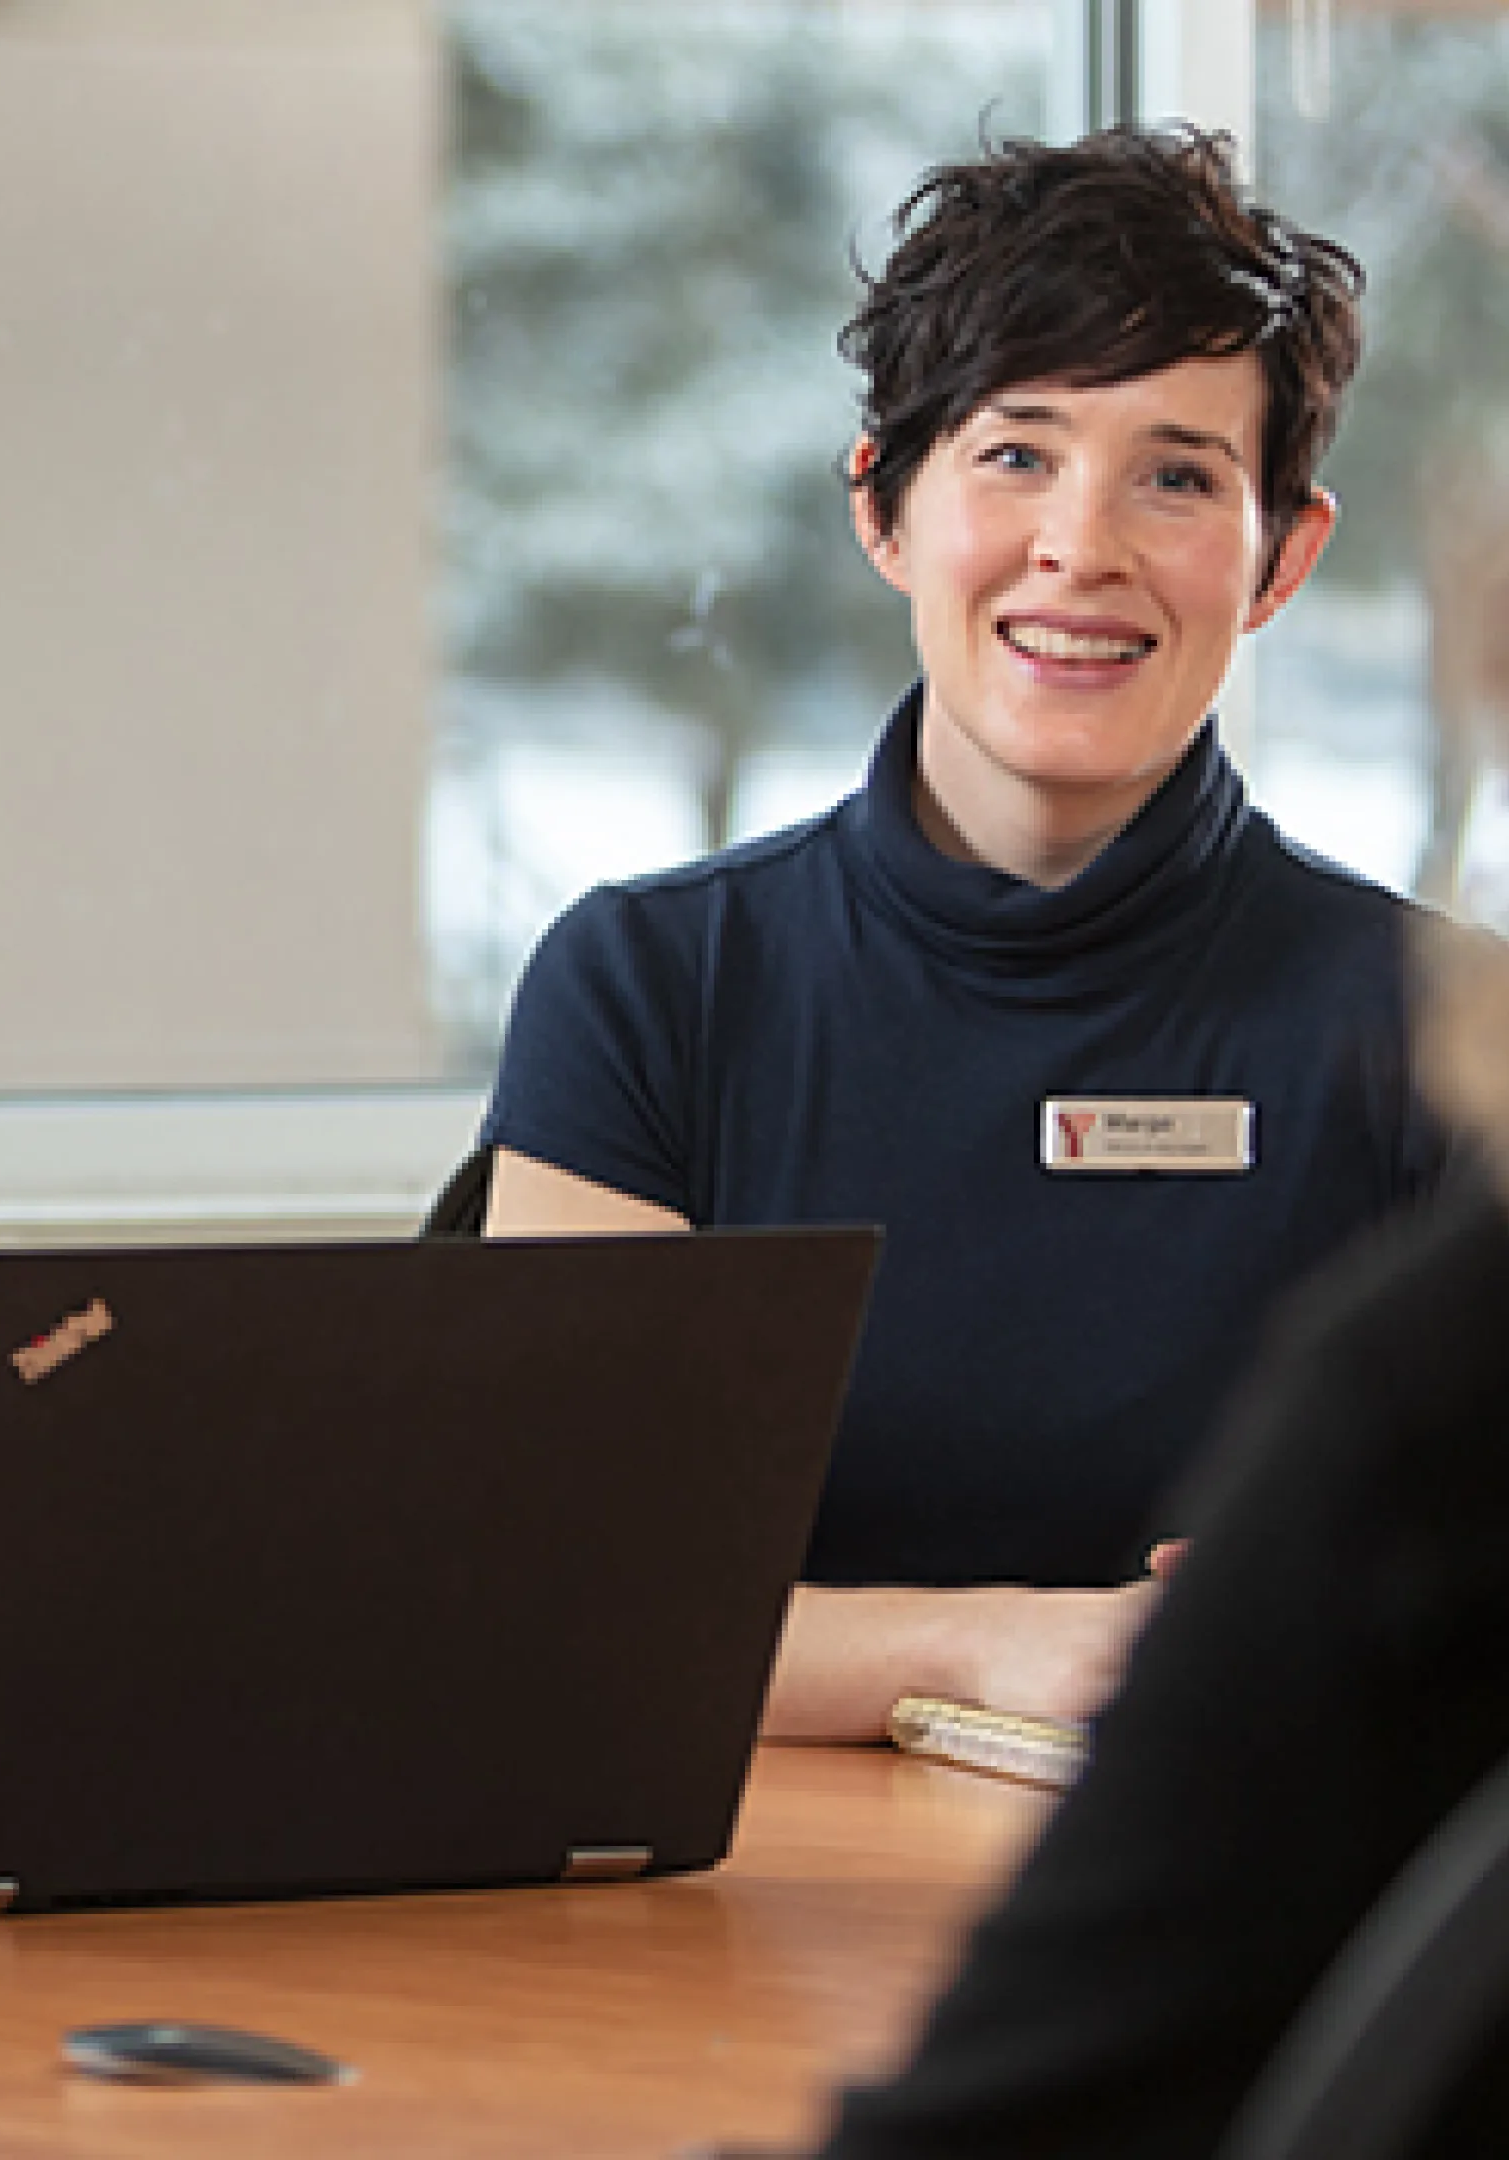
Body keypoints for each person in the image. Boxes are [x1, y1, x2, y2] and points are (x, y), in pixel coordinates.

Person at [480, 124, 1445, 1739]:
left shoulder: (1443, 1021)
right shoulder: (653, 985)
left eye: (1180, 476)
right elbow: (562, 1599)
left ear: (1283, 557)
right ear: (885, 510)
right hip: (724, 1924)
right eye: (1016, 455)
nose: (1084, 546)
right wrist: (1001, 1647)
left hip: (1234, 1921)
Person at [814, 927, 1509, 2155]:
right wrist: (979, 1642)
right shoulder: (661, 967)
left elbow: (1015, 2126)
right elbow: (558, 1624)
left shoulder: (1432, 1385)